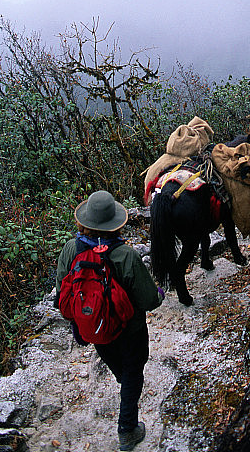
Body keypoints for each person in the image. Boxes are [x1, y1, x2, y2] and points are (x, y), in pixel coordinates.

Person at [55, 190, 164, 451]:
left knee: (120, 366)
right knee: (133, 369)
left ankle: (125, 384)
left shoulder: (72, 249)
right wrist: (158, 293)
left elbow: (62, 292)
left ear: (85, 221)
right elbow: (148, 300)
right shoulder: (125, 255)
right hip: (130, 329)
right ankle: (128, 430)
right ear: (115, 222)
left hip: (95, 328)